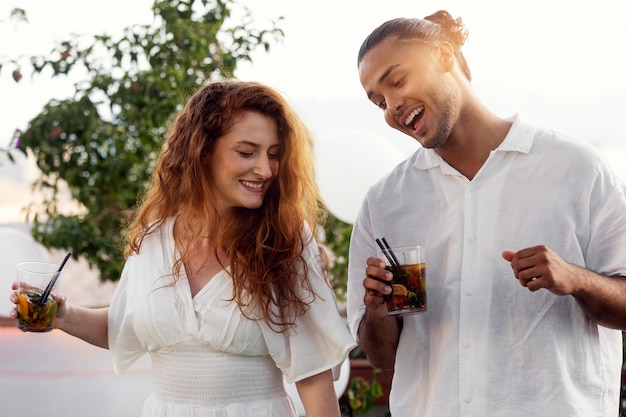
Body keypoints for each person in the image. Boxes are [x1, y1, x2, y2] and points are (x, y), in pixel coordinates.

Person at [11, 79, 356, 417]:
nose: (265, 169)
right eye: (247, 152)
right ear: (203, 150)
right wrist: (64, 316)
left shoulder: (284, 242)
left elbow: (314, 376)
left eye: (274, 155)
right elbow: (124, 325)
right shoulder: (153, 239)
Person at [346, 10, 626, 417]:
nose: (391, 107)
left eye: (397, 81)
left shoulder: (577, 168)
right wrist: (378, 311)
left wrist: (575, 279)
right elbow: (382, 357)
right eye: (378, 101)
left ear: (444, 57)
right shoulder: (385, 202)